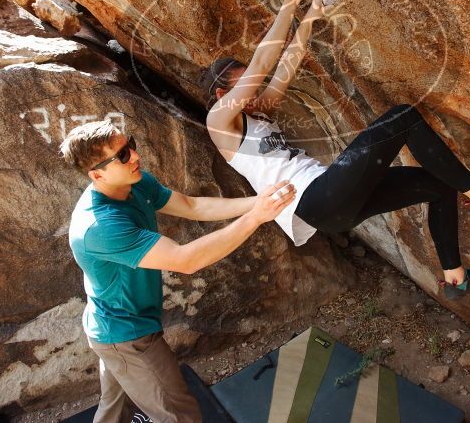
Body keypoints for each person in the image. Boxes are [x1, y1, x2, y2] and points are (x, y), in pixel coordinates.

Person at [203, 0, 470, 301]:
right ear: (221, 97)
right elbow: (261, 64)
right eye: (244, 87)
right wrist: (289, 4)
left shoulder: (259, 113)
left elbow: (286, 63)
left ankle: (456, 278)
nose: (255, 90)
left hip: (332, 202)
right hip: (314, 200)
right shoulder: (220, 123)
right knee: (403, 117)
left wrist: (311, 15)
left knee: (441, 185)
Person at [59, 119, 296, 423]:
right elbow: (186, 260)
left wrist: (259, 203)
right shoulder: (101, 226)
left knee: (115, 410)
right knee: (180, 414)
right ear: (97, 174)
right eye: (121, 156)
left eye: (130, 144)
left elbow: (192, 206)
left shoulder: (135, 182)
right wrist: (256, 219)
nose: (134, 156)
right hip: (127, 336)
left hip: (112, 325)